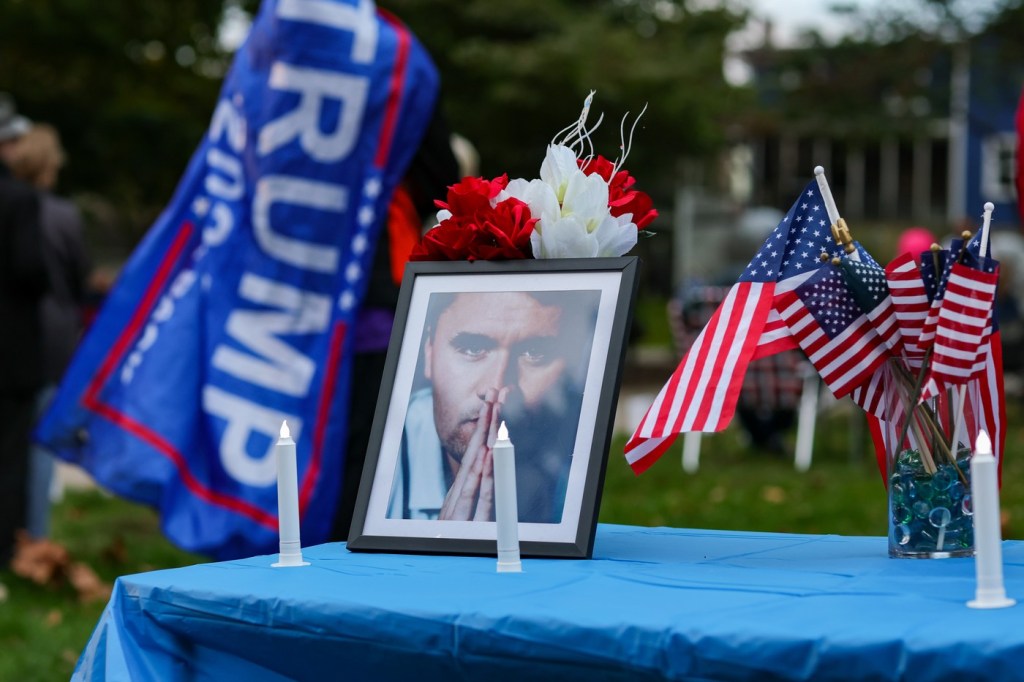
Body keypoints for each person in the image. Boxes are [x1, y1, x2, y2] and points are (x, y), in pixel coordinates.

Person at [387, 289, 599, 523]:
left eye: (534, 353)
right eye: (472, 349)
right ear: (429, 351)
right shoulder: (379, 465)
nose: (496, 388)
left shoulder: (578, 463)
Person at [4, 123, 91, 540]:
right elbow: (76, 279)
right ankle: (32, 536)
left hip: (17, 336)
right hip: (45, 336)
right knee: (37, 444)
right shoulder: (59, 213)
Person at [0, 93, 48, 565]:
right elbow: (31, 270)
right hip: (11, 352)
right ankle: (7, 550)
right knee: (11, 456)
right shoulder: (19, 199)